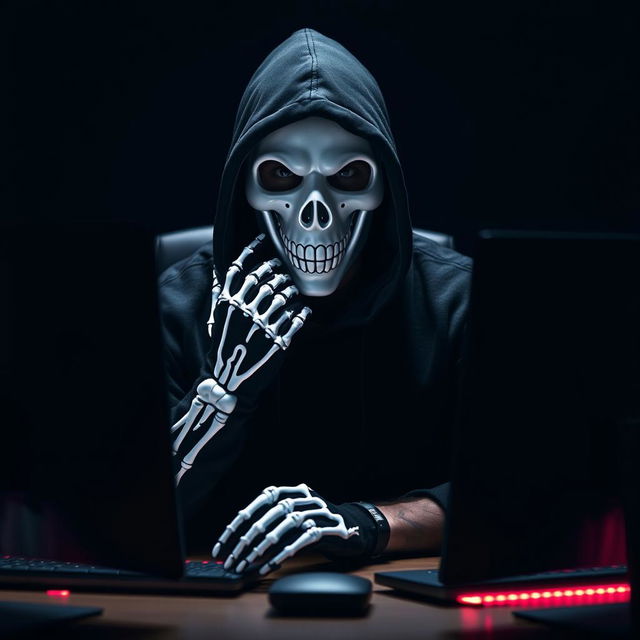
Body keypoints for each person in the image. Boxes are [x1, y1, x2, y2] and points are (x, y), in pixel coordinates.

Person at [160, 28, 471, 575]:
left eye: (348, 175)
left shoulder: (457, 301)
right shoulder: (177, 305)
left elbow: (523, 485)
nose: (315, 212)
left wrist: (368, 524)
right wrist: (223, 391)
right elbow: (124, 514)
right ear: (244, 189)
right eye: (280, 176)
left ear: (385, 187)